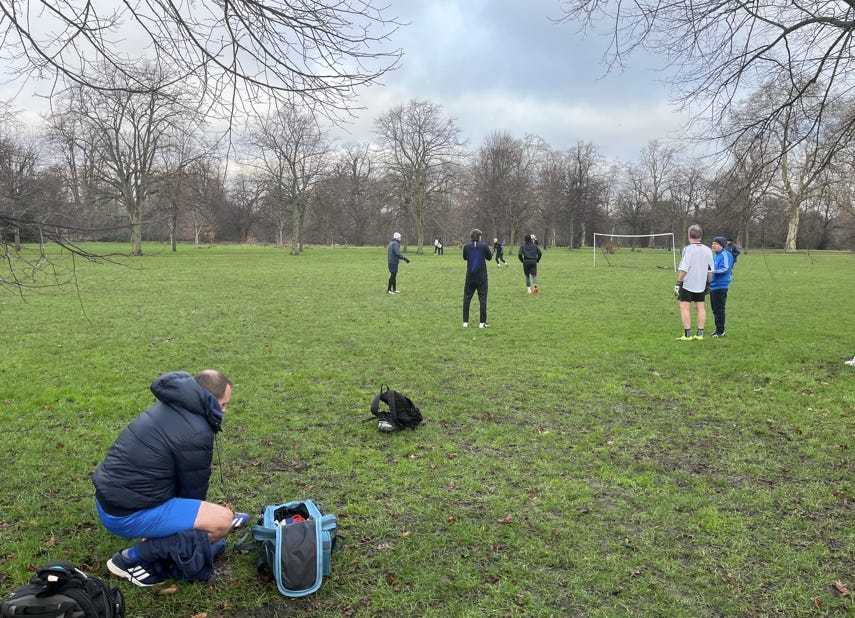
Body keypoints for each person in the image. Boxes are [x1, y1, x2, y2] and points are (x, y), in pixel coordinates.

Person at [93, 370, 248, 587]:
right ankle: (130, 558)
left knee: (215, 523)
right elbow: (192, 493)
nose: (224, 411)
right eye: (223, 405)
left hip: (109, 502)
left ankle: (161, 536)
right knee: (221, 524)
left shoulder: (172, 405)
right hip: (125, 515)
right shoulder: (196, 430)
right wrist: (213, 520)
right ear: (210, 399)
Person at [674, 224, 714, 340]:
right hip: (701, 283)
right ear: (700, 236)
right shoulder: (707, 250)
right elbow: (710, 270)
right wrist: (709, 283)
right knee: (700, 307)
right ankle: (700, 334)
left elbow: (684, 268)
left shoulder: (688, 249)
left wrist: (678, 283)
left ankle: (688, 335)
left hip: (688, 283)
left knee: (684, 306)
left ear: (689, 235)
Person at [462, 228, 492, 328]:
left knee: (467, 299)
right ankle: (482, 323)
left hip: (470, 277)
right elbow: (489, 258)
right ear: (479, 237)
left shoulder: (466, 246)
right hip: (481, 277)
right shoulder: (484, 246)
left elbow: (465, 258)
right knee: (482, 300)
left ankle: (465, 322)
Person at [709, 236, 734, 338]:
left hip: (720, 286)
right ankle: (718, 329)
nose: (713, 245)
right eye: (713, 243)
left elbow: (725, 268)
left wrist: (712, 271)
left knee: (719, 309)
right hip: (713, 286)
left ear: (722, 245)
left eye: (716, 244)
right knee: (715, 309)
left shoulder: (725, 255)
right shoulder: (716, 256)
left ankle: (720, 331)